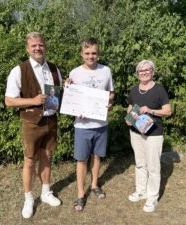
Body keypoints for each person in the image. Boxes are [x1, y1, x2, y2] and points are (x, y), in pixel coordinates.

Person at [5, 32, 62, 219]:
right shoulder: (19, 70)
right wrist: (34, 100)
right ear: (27, 48)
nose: (38, 48)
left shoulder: (54, 69)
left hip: (51, 120)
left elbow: (59, 96)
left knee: (46, 157)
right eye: (34, 45)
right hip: (31, 123)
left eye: (40, 45)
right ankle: (28, 198)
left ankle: (45, 192)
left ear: (45, 46)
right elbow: (9, 101)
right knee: (29, 161)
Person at [66, 37, 115, 212]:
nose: (91, 56)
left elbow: (111, 94)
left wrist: (109, 103)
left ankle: (94, 185)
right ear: (82, 54)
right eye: (87, 53)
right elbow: (70, 98)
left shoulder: (106, 71)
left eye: (94, 53)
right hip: (82, 126)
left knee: (97, 157)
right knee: (81, 160)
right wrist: (73, 107)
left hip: (101, 123)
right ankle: (80, 194)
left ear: (98, 53)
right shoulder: (74, 73)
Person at [125, 59, 171, 213]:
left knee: (153, 166)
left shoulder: (159, 90)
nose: (144, 73)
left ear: (152, 72)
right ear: (137, 74)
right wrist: (129, 119)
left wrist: (151, 111)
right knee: (140, 163)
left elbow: (167, 111)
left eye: (147, 70)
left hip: (154, 134)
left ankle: (152, 197)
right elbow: (130, 107)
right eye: (141, 71)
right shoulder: (133, 90)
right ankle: (141, 191)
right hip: (136, 132)